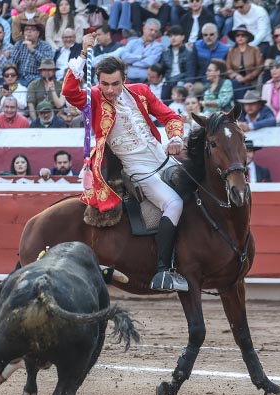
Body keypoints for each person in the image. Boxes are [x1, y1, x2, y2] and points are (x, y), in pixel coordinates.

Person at [62, 37, 188, 292]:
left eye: (115, 83)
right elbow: (69, 92)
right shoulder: (94, 97)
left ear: (125, 79)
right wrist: (84, 54)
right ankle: (164, 270)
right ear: (98, 81)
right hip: (138, 170)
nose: (110, 89)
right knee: (174, 203)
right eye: (105, 84)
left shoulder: (140, 91)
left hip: (165, 158)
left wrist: (175, 137)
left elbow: (170, 115)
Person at [185, 23, 229, 91]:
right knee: (190, 91)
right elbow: (191, 65)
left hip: (217, 82)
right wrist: (190, 81)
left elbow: (225, 70)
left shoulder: (225, 49)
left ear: (217, 35)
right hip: (199, 81)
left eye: (211, 34)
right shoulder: (197, 46)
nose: (208, 37)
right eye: (205, 35)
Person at [226, 24, 263, 101]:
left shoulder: (254, 50)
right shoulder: (231, 51)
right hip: (236, 81)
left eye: (243, 35)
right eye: (238, 35)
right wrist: (236, 76)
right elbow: (228, 68)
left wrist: (247, 78)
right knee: (234, 84)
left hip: (251, 81)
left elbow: (259, 67)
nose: (240, 37)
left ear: (247, 37)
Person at [11, 18, 53, 86]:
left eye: (32, 30)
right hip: (19, 79)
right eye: (26, 29)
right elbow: (12, 62)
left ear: (38, 33)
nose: (29, 32)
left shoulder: (46, 46)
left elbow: (48, 63)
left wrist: (33, 51)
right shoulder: (18, 44)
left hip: (37, 79)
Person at [120, 18, 164, 83]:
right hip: (128, 79)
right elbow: (124, 57)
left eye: (156, 31)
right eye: (151, 30)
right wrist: (141, 57)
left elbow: (150, 62)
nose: (153, 33)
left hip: (145, 80)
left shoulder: (158, 46)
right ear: (144, 29)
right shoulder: (132, 42)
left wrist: (131, 63)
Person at [26, 57, 65, 122]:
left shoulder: (61, 85)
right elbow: (31, 106)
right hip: (38, 117)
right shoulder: (33, 85)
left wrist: (52, 90)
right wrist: (36, 121)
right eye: (44, 70)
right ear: (41, 72)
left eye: (50, 70)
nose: (47, 72)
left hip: (56, 118)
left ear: (54, 71)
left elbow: (60, 106)